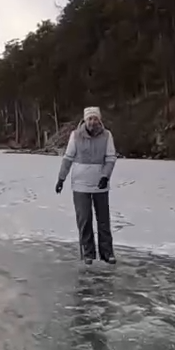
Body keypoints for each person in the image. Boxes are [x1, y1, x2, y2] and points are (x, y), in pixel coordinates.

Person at [55, 106, 117, 264]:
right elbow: (68, 158)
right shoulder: (75, 136)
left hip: (100, 184)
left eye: (95, 119)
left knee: (103, 220)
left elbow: (110, 158)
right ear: (85, 120)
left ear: (99, 120)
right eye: (90, 119)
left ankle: (107, 253)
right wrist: (61, 179)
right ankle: (88, 253)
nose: (93, 122)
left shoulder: (107, 135)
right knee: (84, 219)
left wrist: (105, 176)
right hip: (80, 185)